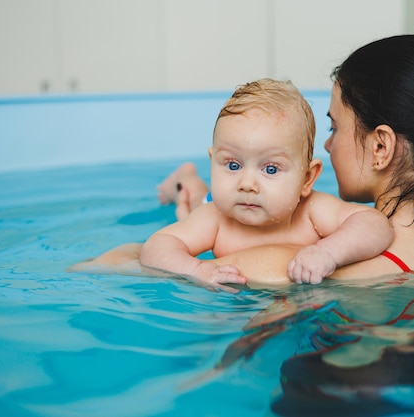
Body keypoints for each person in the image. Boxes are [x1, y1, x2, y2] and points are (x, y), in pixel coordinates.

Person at [72, 34, 414, 289]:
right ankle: (190, 186)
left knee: (204, 218)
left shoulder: (285, 264)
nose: (326, 146)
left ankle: (190, 186)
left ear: (381, 147)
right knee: (206, 215)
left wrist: (88, 266)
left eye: (334, 127)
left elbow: (136, 259)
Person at [137, 78, 393, 290]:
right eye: (232, 165)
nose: (247, 184)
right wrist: (195, 269)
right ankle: (185, 180)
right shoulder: (215, 218)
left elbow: (375, 224)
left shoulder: (312, 210)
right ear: (213, 161)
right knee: (192, 206)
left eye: (270, 169)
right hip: (210, 204)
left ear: (307, 179)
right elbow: (156, 247)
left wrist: (328, 252)